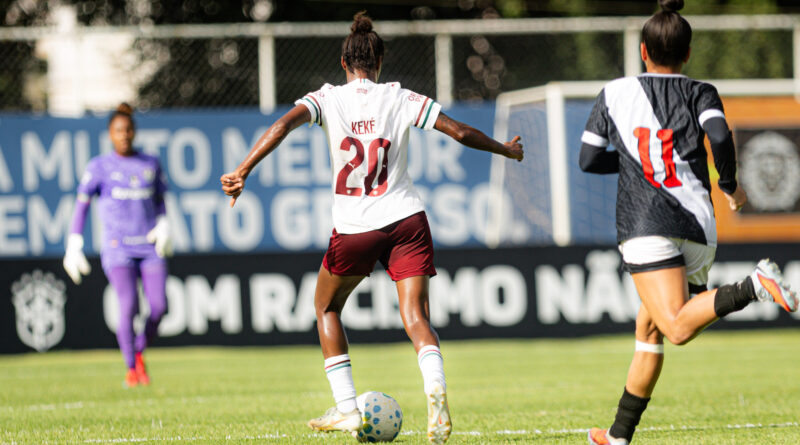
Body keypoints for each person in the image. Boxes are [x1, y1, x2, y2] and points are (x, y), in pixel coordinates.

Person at [221, 12, 523, 444]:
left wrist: (244, 169)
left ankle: (346, 408)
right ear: (379, 63)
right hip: (405, 219)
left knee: (326, 307)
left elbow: (281, 126)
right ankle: (434, 385)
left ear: (344, 64)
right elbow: (458, 132)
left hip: (355, 225)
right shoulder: (399, 97)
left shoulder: (327, 99)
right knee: (417, 316)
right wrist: (504, 150)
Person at [579, 1, 798, 444]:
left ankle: (754, 284)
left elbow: (587, 159)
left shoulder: (614, 93)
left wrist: (636, 164)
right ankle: (620, 434)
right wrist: (731, 186)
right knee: (651, 327)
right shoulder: (701, 91)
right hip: (699, 221)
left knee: (676, 327)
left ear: (643, 51)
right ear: (688, 52)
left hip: (646, 220)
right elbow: (719, 135)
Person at [63, 103, 172, 388]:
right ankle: (132, 369)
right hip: (118, 247)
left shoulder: (150, 163)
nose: (124, 135)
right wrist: (74, 241)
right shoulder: (99, 167)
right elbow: (82, 204)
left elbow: (160, 201)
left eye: (128, 130)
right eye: (119, 131)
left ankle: (136, 350)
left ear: (134, 132)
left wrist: (164, 224)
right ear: (111, 134)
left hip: (148, 247)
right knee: (128, 306)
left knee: (159, 307)